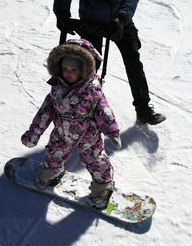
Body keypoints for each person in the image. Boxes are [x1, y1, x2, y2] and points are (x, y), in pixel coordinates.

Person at [21, 38, 122, 209]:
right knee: (54, 152)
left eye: (73, 69)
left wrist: (112, 131)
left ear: (83, 71)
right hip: (62, 131)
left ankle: (103, 186)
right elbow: (45, 111)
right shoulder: (57, 87)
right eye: (65, 69)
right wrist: (34, 133)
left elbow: (104, 110)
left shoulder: (92, 91)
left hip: (88, 135)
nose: (68, 73)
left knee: (95, 160)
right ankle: (53, 172)